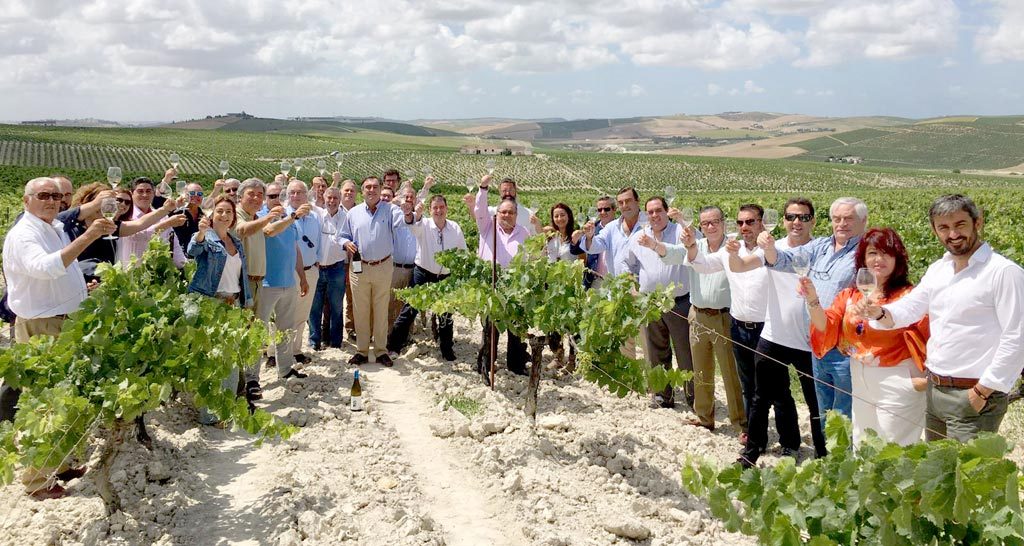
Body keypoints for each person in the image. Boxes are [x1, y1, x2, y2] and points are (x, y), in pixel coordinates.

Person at [862, 194, 1024, 442]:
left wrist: (982, 392)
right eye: (944, 227)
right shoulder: (939, 269)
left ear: (977, 223)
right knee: (939, 474)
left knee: (969, 476)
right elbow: (911, 307)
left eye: (960, 225)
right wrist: (880, 313)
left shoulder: (1003, 272)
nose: (953, 234)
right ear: (934, 230)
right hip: (935, 390)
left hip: (974, 393)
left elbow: (1017, 338)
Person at [2, 177, 116, 499]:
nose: (51, 201)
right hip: (41, 327)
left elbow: (65, 270)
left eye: (55, 195)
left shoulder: (51, 226)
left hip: (61, 323)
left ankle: (61, 463)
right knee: (45, 404)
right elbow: (47, 268)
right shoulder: (24, 234)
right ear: (26, 201)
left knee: (64, 397)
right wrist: (92, 234)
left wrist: (81, 289)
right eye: (43, 195)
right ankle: (36, 481)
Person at [803, 228, 929, 445]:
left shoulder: (909, 296)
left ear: (897, 259)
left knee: (894, 449)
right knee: (863, 445)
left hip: (896, 379)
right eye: (872, 253)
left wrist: (917, 381)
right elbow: (825, 325)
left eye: (886, 253)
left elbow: (928, 336)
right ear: (862, 258)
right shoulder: (850, 296)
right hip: (858, 377)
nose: (878, 259)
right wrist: (812, 299)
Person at [756, 197, 867, 423]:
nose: (841, 224)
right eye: (837, 219)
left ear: (864, 221)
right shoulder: (821, 246)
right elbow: (786, 260)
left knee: (845, 414)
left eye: (848, 219)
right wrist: (769, 248)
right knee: (824, 411)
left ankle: (843, 456)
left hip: (845, 347)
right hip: (818, 343)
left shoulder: (866, 252)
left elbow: (874, 290)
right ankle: (826, 456)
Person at [738, 198, 827, 460]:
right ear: (784, 221)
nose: (796, 222)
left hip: (809, 341)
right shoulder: (771, 246)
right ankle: (751, 452)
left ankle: (823, 457)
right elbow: (743, 266)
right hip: (774, 336)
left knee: (815, 405)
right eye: (791, 217)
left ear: (813, 220)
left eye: (803, 217)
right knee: (760, 399)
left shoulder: (821, 250)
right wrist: (734, 254)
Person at [647, 205, 744, 432]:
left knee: (730, 372)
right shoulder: (695, 246)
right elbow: (672, 253)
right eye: (706, 223)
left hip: (724, 317)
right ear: (701, 226)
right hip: (698, 315)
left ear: (723, 222)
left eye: (715, 222)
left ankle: (741, 423)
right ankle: (704, 417)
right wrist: (653, 244)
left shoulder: (732, 248)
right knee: (700, 369)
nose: (710, 227)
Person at [186, 196, 252, 426]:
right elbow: (193, 250)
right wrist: (201, 233)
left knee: (232, 360)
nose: (224, 215)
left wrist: (246, 302)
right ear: (211, 215)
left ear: (234, 217)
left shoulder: (237, 242)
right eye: (219, 211)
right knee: (212, 360)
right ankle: (209, 414)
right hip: (211, 304)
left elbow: (240, 276)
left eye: (228, 212)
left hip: (232, 305)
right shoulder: (207, 239)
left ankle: (226, 409)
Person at [626, 196, 695, 410]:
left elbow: (697, 245)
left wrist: (684, 221)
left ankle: (694, 398)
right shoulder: (638, 237)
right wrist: (632, 286)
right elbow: (627, 263)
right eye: (650, 212)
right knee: (656, 352)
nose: (654, 215)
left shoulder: (679, 233)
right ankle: (663, 396)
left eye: (659, 211)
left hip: (679, 303)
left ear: (667, 212)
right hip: (651, 303)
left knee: (685, 353)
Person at [387, 194, 468, 360]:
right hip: (423, 273)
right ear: (430, 210)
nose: (438, 211)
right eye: (435, 208)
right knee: (410, 309)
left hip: (446, 277)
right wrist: (412, 214)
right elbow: (412, 225)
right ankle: (393, 346)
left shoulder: (455, 228)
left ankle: (447, 349)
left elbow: (463, 253)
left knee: (446, 314)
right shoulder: (423, 224)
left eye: (441, 207)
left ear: (447, 208)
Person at [340, 176, 409, 367]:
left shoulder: (391, 210)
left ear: (380, 190)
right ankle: (362, 351)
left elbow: (402, 223)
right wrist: (345, 242)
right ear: (362, 191)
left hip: (383, 266)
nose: (371, 190)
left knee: (381, 309)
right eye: (368, 187)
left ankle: (380, 351)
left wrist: (409, 213)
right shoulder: (353, 213)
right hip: (359, 267)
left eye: (375, 187)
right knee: (360, 310)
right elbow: (342, 235)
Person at [469, 175, 530, 384]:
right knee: (490, 329)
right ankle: (485, 365)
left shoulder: (524, 233)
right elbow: (480, 209)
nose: (506, 215)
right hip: (491, 285)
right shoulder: (488, 226)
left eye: (511, 212)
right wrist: (483, 188)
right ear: (498, 213)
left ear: (516, 214)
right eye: (503, 212)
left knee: (515, 330)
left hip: (515, 288)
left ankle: (516, 364)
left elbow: (531, 259)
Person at [58, 182, 179, 283]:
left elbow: (140, 224)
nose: (106, 208)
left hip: (102, 284)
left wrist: (165, 209)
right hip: (73, 283)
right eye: (103, 204)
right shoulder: (69, 225)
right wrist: (95, 204)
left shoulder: (107, 226)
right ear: (89, 202)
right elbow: (57, 220)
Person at [578, 187, 648, 359]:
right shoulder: (611, 228)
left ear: (637, 202)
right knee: (625, 340)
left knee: (648, 341)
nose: (625, 205)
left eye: (628, 201)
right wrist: (588, 237)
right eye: (621, 202)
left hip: (644, 292)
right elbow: (595, 246)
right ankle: (630, 382)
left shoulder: (648, 225)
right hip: (619, 293)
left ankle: (652, 383)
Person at [257, 188, 310, 387]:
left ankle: (285, 370)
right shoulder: (261, 218)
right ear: (265, 199)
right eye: (272, 196)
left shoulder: (289, 219)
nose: (276, 200)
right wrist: (294, 216)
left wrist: (302, 277)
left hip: (288, 283)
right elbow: (270, 232)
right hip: (266, 285)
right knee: (258, 333)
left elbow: (294, 249)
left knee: (286, 330)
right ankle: (253, 379)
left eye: (280, 196)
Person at [284, 180, 321, 365]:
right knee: (283, 314)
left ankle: (296, 350)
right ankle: (276, 353)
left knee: (302, 314)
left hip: (311, 271)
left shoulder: (315, 218)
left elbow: (319, 242)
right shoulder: (283, 216)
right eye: (292, 193)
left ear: (307, 195)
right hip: (288, 272)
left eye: (300, 192)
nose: (296, 196)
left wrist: (317, 263)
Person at [544, 203, 585, 368]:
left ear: (569, 216)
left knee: (573, 322)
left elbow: (583, 260)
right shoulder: (550, 237)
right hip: (553, 284)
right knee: (553, 321)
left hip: (571, 285)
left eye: (562, 215)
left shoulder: (576, 237)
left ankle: (573, 360)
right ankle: (558, 355)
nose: (559, 218)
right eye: (556, 216)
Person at [117, 177, 187, 267]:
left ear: (153, 194)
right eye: (140, 191)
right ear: (132, 194)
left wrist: (186, 267)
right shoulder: (125, 215)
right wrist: (168, 223)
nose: (145, 195)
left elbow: (174, 246)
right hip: (129, 274)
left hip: (156, 276)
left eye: (148, 191)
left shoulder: (163, 217)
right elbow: (139, 236)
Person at [310, 186, 347, 350]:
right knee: (315, 307)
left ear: (340, 200)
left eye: (335, 198)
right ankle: (314, 342)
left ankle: (336, 342)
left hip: (336, 268)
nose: (332, 201)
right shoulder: (316, 215)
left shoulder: (346, 217)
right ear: (323, 198)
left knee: (337, 307)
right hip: (317, 268)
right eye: (329, 198)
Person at [388, 185, 418, 334]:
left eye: (412, 196)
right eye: (406, 196)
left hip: (413, 269)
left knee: (408, 305)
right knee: (390, 303)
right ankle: (387, 335)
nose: (409, 199)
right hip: (395, 268)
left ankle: (406, 336)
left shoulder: (420, 218)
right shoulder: (393, 216)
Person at [338, 177, 359, 341]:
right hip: (336, 262)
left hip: (354, 262)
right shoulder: (332, 209)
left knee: (353, 297)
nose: (349, 193)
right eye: (346, 190)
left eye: (352, 190)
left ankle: (351, 327)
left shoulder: (360, 212)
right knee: (335, 299)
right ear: (341, 192)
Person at [171, 182, 206, 254]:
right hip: (176, 255)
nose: (196, 196)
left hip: (195, 257)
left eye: (199, 194)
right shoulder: (176, 211)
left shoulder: (203, 216)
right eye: (192, 193)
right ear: (184, 195)